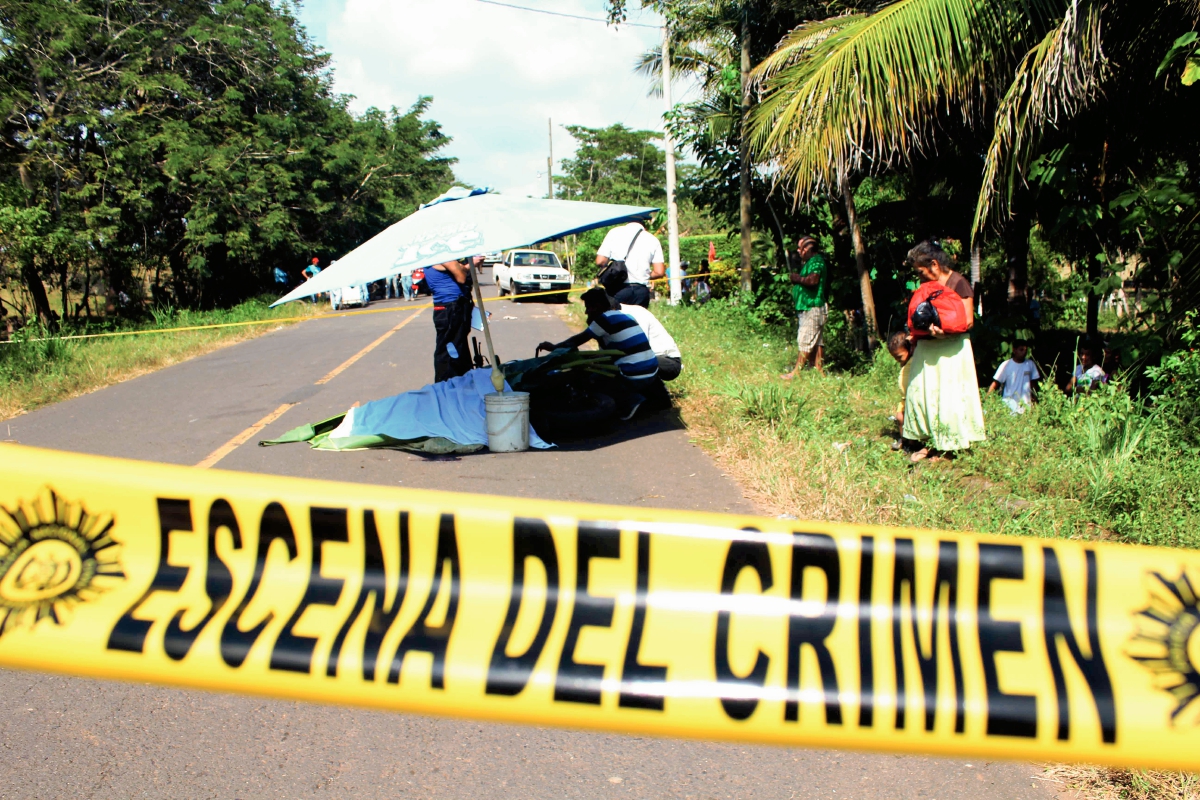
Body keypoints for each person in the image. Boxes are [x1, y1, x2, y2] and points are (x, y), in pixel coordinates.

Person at [901, 240, 985, 461]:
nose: (919, 278)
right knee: (923, 393)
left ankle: (947, 446)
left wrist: (943, 333)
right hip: (928, 347)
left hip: (951, 349)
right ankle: (929, 442)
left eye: (921, 272)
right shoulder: (925, 287)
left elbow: (968, 321)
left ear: (934, 265)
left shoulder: (959, 283)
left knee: (948, 397)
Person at [538, 287, 662, 419]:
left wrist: (553, 347)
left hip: (634, 375)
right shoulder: (625, 316)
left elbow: (577, 340)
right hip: (652, 371)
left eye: (588, 307)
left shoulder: (603, 320)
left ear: (598, 306)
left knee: (590, 380)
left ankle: (631, 401)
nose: (586, 312)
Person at [782, 236, 828, 378]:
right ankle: (818, 369)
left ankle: (796, 372)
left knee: (805, 339)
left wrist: (798, 279)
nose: (798, 251)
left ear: (806, 249)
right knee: (816, 341)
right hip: (810, 307)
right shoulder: (810, 262)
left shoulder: (816, 262)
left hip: (812, 307)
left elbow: (813, 280)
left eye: (800, 247)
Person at [427, 255, 478, 382]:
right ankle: (446, 382)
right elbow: (461, 278)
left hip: (449, 306)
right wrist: (466, 267)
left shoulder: (431, 259)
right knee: (450, 348)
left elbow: (460, 271)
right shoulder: (443, 256)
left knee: (458, 345)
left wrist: (463, 267)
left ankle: (463, 379)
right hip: (451, 306)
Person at [595, 221, 665, 308]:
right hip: (641, 291)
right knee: (638, 321)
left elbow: (600, 261)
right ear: (644, 226)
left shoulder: (614, 232)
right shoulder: (653, 239)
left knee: (616, 320)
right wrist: (644, 274)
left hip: (618, 289)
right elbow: (659, 272)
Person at [619, 302, 683, 381]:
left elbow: (640, 348)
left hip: (667, 360)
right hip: (646, 358)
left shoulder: (635, 313)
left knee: (631, 363)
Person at [989, 340, 1040, 413]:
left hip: (1026, 407)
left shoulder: (1030, 364)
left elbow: (1033, 385)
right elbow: (995, 383)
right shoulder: (1006, 365)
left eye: (1026, 350)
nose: (1024, 352)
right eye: (1021, 349)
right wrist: (987, 399)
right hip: (1009, 407)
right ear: (1014, 350)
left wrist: (1034, 401)